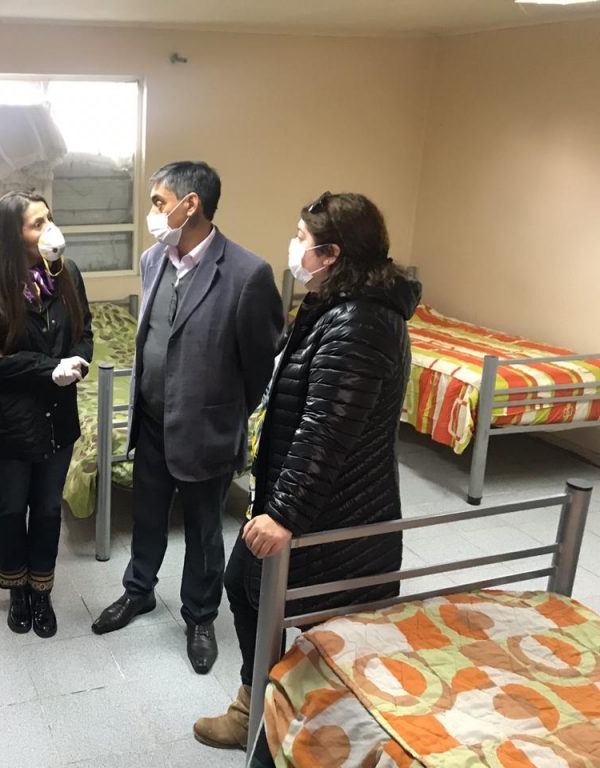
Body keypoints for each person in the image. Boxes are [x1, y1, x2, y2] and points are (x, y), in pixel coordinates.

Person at [193, 192, 421, 752]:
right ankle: (259, 708)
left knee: (309, 621)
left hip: (335, 513)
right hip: (312, 499)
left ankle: (287, 726)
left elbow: (327, 430)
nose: (293, 247)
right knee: (246, 588)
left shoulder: (360, 322)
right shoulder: (335, 306)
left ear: (332, 253)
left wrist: (284, 514)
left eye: (302, 238)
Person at [91, 161, 283, 676]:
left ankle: (200, 618)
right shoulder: (153, 259)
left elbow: (260, 363)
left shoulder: (246, 273)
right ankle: (138, 592)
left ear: (190, 204)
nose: (153, 211)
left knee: (203, 532)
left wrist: (223, 411)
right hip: (152, 422)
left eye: (159, 201)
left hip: (206, 430)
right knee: (148, 517)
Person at [0, 191, 93, 638]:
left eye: (49, 219)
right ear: (12, 233)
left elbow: (85, 330)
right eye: (37, 223)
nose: (49, 230)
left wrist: (78, 362)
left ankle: (41, 589)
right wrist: (46, 368)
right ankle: (16, 588)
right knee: (12, 507)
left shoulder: (66, 273)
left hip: (58, 417)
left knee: (49, 508)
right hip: (9, 421)